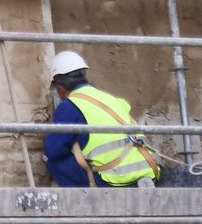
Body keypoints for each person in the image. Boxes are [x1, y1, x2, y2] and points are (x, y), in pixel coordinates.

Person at [43, 50, 159, 188]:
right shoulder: (107, 98)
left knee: (54, 162)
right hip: (149, 171)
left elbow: (53, 150)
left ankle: (85, 202)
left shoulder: (70, 106)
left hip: (116, 179)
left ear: (60, 87)